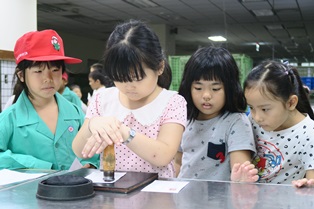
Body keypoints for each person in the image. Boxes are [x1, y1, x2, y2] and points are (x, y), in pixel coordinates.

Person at [72, 20, 187, 178]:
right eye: (119, 78)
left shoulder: (173, 102)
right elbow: (79, 150)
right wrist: (92, 125)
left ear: (159, 67)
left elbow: (163, 156)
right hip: (111, 192)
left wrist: (124, 132)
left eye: (137, 78)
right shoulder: (102, 98)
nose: (128, 86)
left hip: (155, 194)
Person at [0, 29, 99, 170]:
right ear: (21, 75)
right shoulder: (9, 119)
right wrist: (35, 165)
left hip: (75, 190)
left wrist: (89, 164)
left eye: (55, 70)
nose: (48, 79)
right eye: (38, 71)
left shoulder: (75, 113)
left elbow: (93, 152)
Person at [176, 46, 258, 182]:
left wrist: (242, 180)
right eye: (198, 88)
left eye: (215, 88)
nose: (206, 95)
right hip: (184, 197)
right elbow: (177, 162)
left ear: (230, 88)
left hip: (218, 200)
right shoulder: (184, 118)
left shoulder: (236, 121)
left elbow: (240, 169)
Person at [239, 60, 314, 187]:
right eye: (251, 107)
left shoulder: (309, 134)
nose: (257, 117)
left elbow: (311, 182)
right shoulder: (253, 119)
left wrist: (308, 187)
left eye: (265, 109)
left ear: (290, 103)